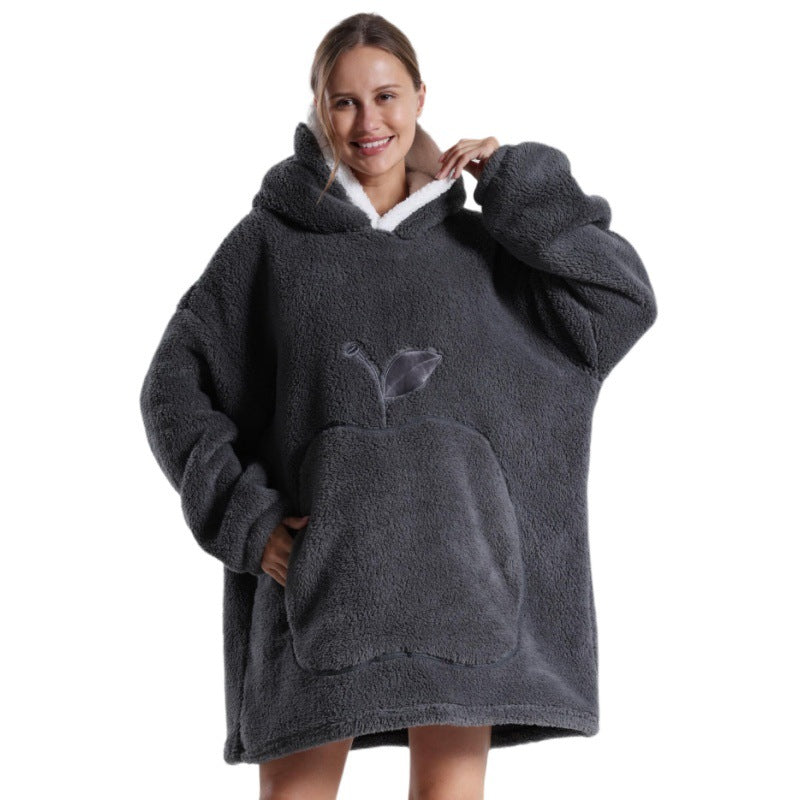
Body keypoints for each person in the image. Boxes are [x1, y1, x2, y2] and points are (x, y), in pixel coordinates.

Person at [139, 12, 657, 800]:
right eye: (343, 102)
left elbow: (618, 300)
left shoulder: (484, 247)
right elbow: (174, 389)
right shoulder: (270, 244)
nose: (367, 122)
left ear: (420, 96)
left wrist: (517, 183)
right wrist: (246, 519)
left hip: (464, 595)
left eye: (385, 96)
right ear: (319, 108)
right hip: (320, 592)